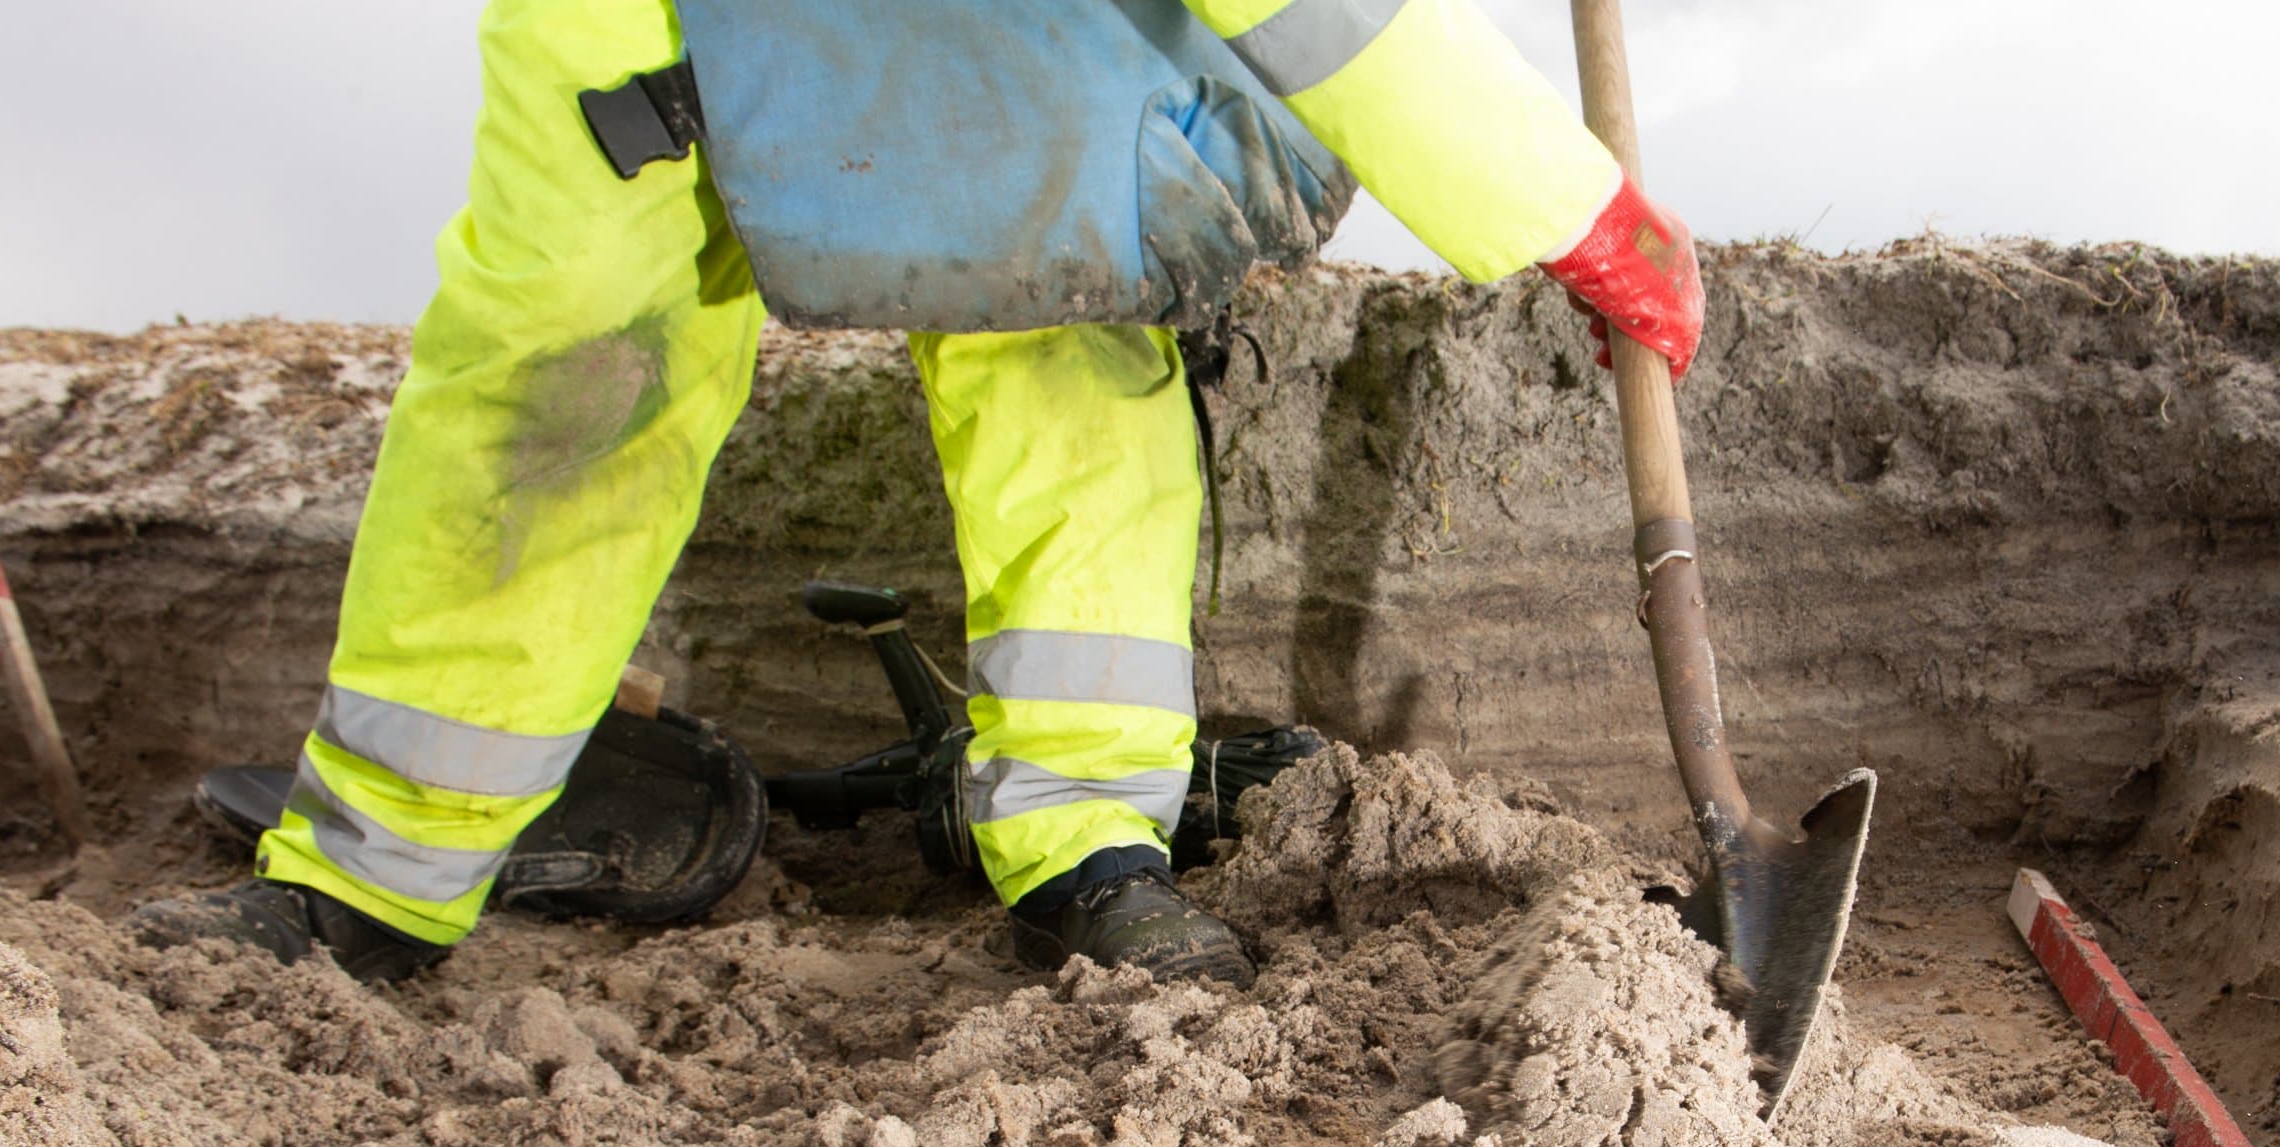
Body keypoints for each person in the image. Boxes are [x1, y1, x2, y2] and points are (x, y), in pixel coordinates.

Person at [133, 0, 1703, 988]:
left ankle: (1087, 851)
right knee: (556, 391)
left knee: (1063, 349)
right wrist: (1569, 208)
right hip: (644, 39)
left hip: (997, 38)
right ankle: (373, 883)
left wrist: (1563, 207)